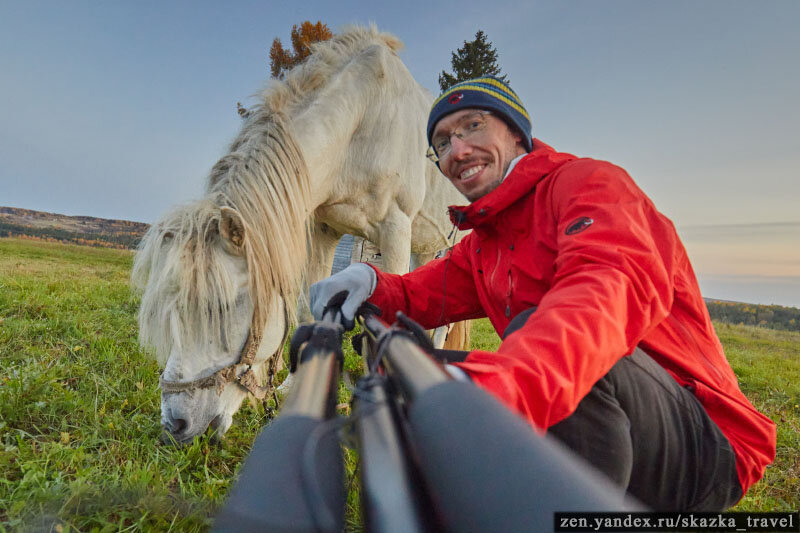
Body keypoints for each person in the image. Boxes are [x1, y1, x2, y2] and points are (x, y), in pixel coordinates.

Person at [309, 76, 775, 510]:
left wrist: (502, 389)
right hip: (614, 417)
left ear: (516, 133)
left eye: (472, 126)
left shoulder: (591, 184)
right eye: (442, 143)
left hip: (708, 440)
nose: (458, 149)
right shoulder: (484, 244)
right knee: (418, 381)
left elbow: (603, 292)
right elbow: (417, 294)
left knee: (532, 333)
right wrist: (370, 281)